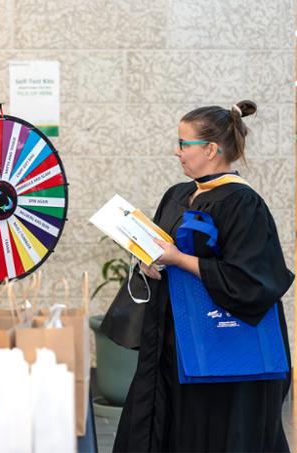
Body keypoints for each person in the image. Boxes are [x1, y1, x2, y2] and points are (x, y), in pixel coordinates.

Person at [113, 100, 293, 452]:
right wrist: (150, 263)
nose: (177, 152)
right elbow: (163, 249)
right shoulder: (179, 194)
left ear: (211, 149)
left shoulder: (243, 203)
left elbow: (251, 280)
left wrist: (179, 259)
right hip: (173, 345)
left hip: (223, 352)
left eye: (184, 144)